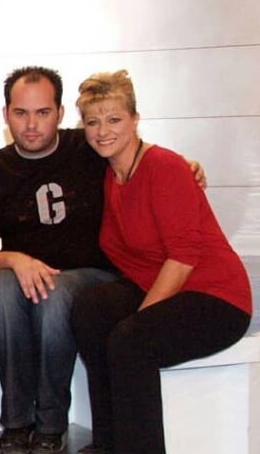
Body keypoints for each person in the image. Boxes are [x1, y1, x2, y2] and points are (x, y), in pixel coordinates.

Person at [71, 70, 251, 454]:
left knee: (130, 341)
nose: (103, 131)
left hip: (216, 296)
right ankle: (108, 444)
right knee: (90, 309)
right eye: (93, 122)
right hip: (158, 283)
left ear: (135, 119)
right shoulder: (107, 169)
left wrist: (140, 319)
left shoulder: (164, 167)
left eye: (114, 119)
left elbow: (183, 258)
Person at [0, 66, 119, 454]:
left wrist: (186, 167)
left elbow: (136, 157)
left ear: (60, 113)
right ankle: (16, 420)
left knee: (53, 293)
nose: (31, 125)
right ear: (5, 114)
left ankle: (51, 422)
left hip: (92, 274)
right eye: (20, 113)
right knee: (1, 287)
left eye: (42, 113)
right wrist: (14, 259)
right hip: (26, 274)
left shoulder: (89, 148)